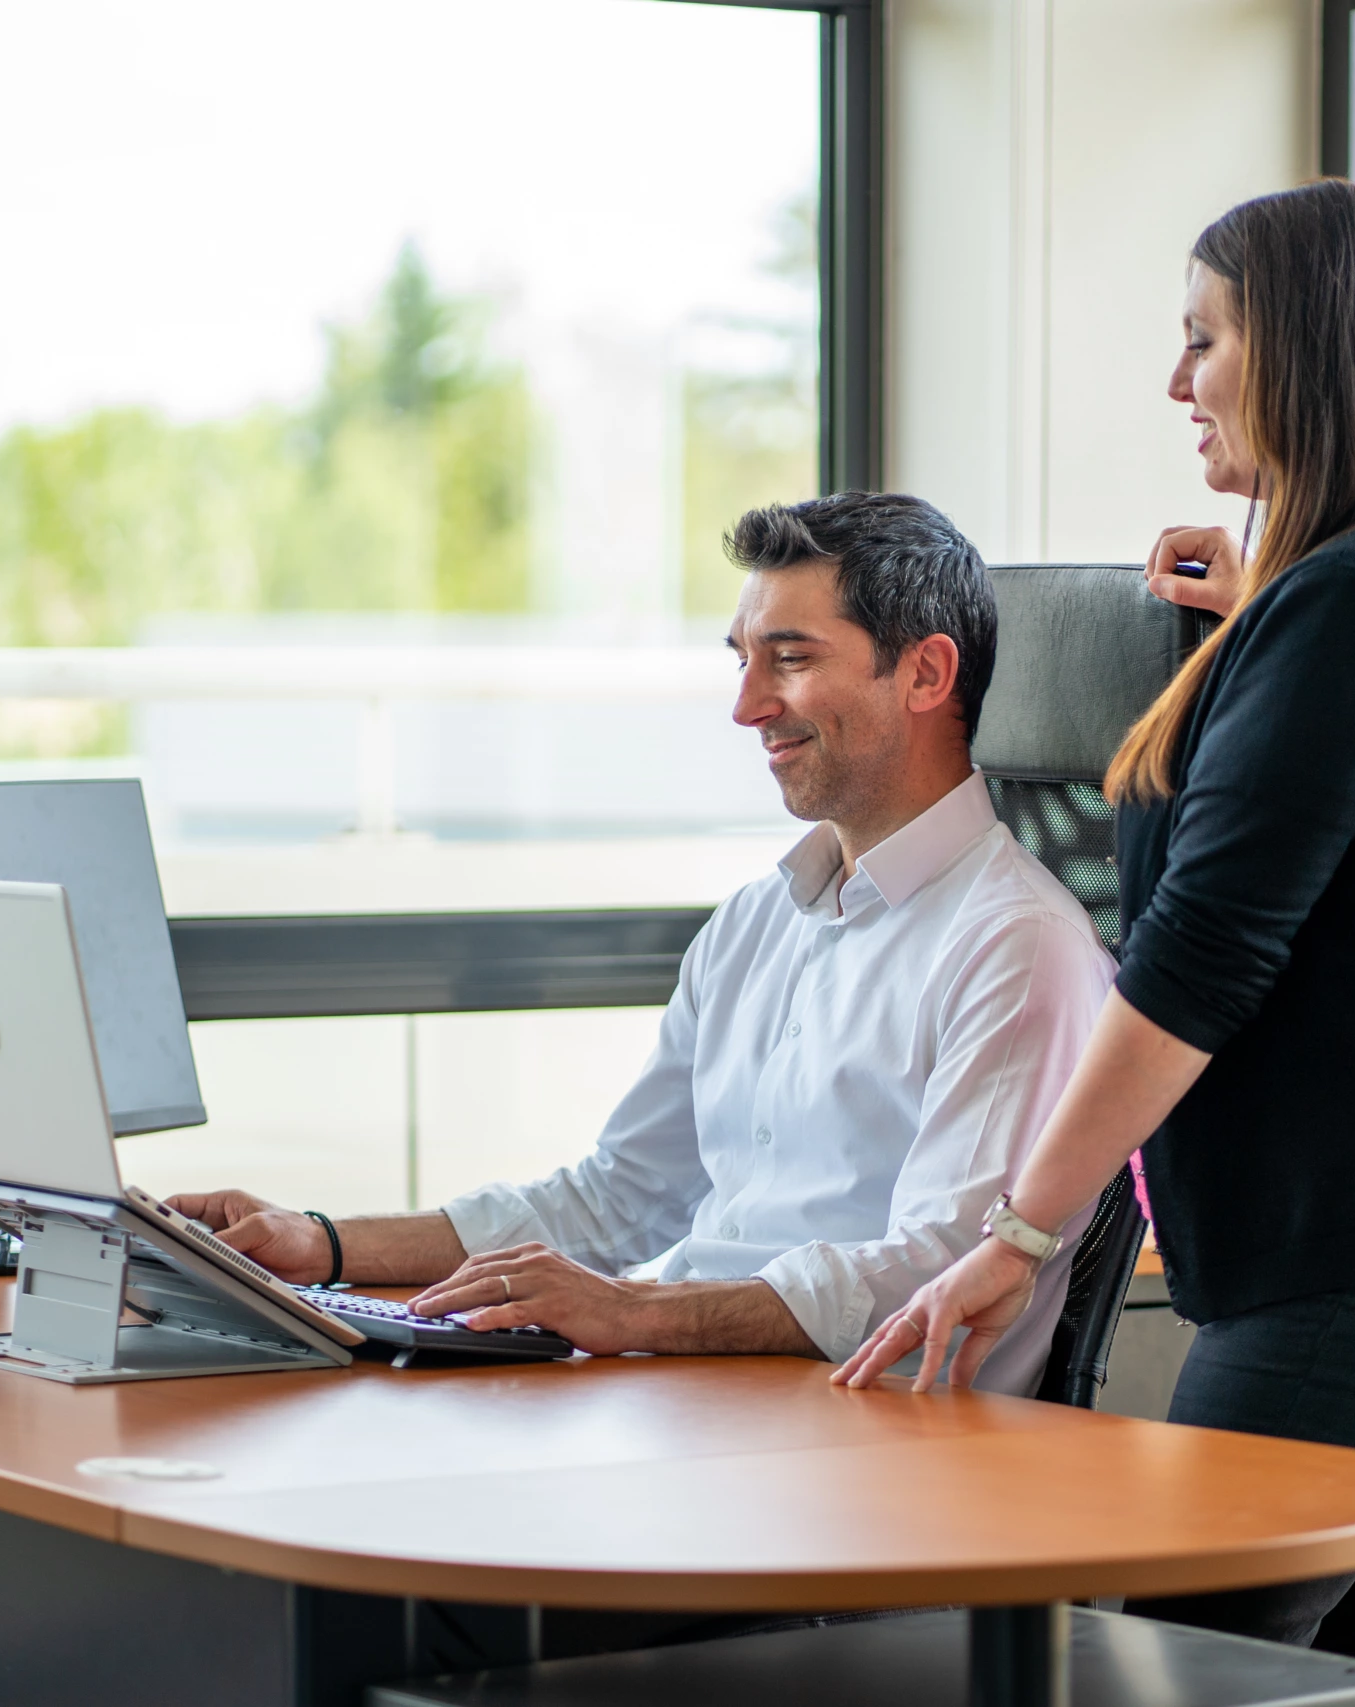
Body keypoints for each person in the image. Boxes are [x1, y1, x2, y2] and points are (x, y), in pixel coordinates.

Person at [835, 181, 1355, 1707]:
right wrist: (1258, 624)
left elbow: (1197, 963)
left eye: (1204, 338)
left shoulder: (1352, 605)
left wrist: (1018, 1237)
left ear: (1313, 351)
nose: (1175, 380)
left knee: (1184, 1660)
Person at [173, 491, 1112, 1397]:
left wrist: (637, 1312)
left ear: (926, 674)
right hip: (695, 1396)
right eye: (741, 660)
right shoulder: (757, 922)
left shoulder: (1018, 949)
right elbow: (617, 1196)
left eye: (788, 659)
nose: (747, 706)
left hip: (868, 1439)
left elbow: (937, 1271)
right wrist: (322, 1242)